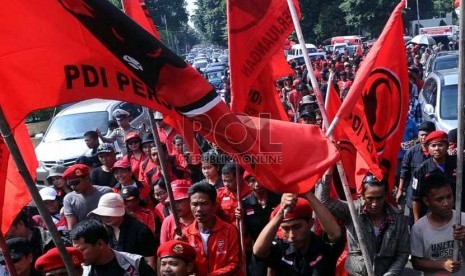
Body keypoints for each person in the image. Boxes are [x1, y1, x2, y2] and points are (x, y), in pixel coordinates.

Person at [318, 172, 410, 275]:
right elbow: (323, 201)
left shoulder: (398, 219)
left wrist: (389, 274)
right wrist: (329, 171)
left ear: (385, 196)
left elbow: (403, 253)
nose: (374, 204)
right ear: (362, 196)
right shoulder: (352, 211)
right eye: (370, 198)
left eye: (379, 198)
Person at [410, 173, 465, 275]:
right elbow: (416, 262)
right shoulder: (419, 228)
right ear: (427, 201)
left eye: (449, 197)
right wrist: (443, 265)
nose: (446, 203)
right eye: (439, 199)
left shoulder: (463, 219)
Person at [183, 182, 241, 275]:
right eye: (194, 204)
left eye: (204, 203)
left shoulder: (229, 230)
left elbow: (234, 263)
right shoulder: (185, 234)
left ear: (214, 205)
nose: (199, 209)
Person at [70, 219, 155, 275]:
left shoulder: (134, 263)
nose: (78, 255)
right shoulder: (81, 272)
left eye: (82, 250)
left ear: (100, 244)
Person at [236, 171, 280, 276]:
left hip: (279, 248)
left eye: (260, 180)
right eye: (252, 181)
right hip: (258, 250)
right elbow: (242, 233)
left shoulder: (278, 199)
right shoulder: (245, 204)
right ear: (247, 183)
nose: (257, 184)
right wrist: (238, 218)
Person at [413, 131, 460, 223]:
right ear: (428, 148)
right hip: (433, 215)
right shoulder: (421, 170)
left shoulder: (458, 164)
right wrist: (416, 221)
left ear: (447, 146)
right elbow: (416, 198)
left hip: (457, 212)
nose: (437, 149)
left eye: (440, 145)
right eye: (433, 146)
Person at [397, 121, 435, 225]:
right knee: (414, 224)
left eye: (426, 135)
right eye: (421, 135)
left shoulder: (436, 152)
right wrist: (400, 189)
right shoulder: (411, 152)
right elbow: (404, 171)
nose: (423, 138)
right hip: (413, 194)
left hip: (431, 195)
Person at [62, 164, 113, 229]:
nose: (73, 186)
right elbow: (72, 227)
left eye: (75, 182)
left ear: (87, 178)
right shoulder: (69, 199)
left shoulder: (106, 192)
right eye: (70, 183)